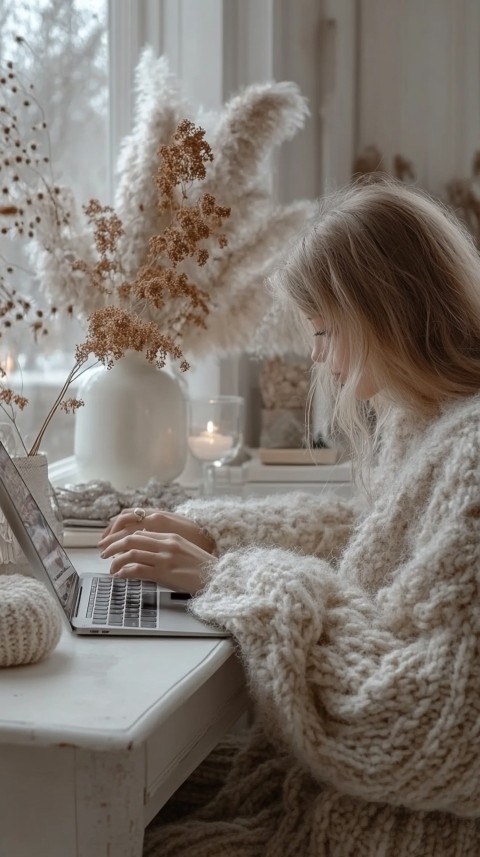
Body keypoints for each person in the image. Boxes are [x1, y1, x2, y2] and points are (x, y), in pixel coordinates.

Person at [98, 177, 480, 856]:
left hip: (401, 827)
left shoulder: (472, 452)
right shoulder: (426, 419)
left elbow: (426, 725)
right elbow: (374, 536)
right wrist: (215, 533)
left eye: (326, 331)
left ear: (385, 315)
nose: (317, 356)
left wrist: (228, 575)